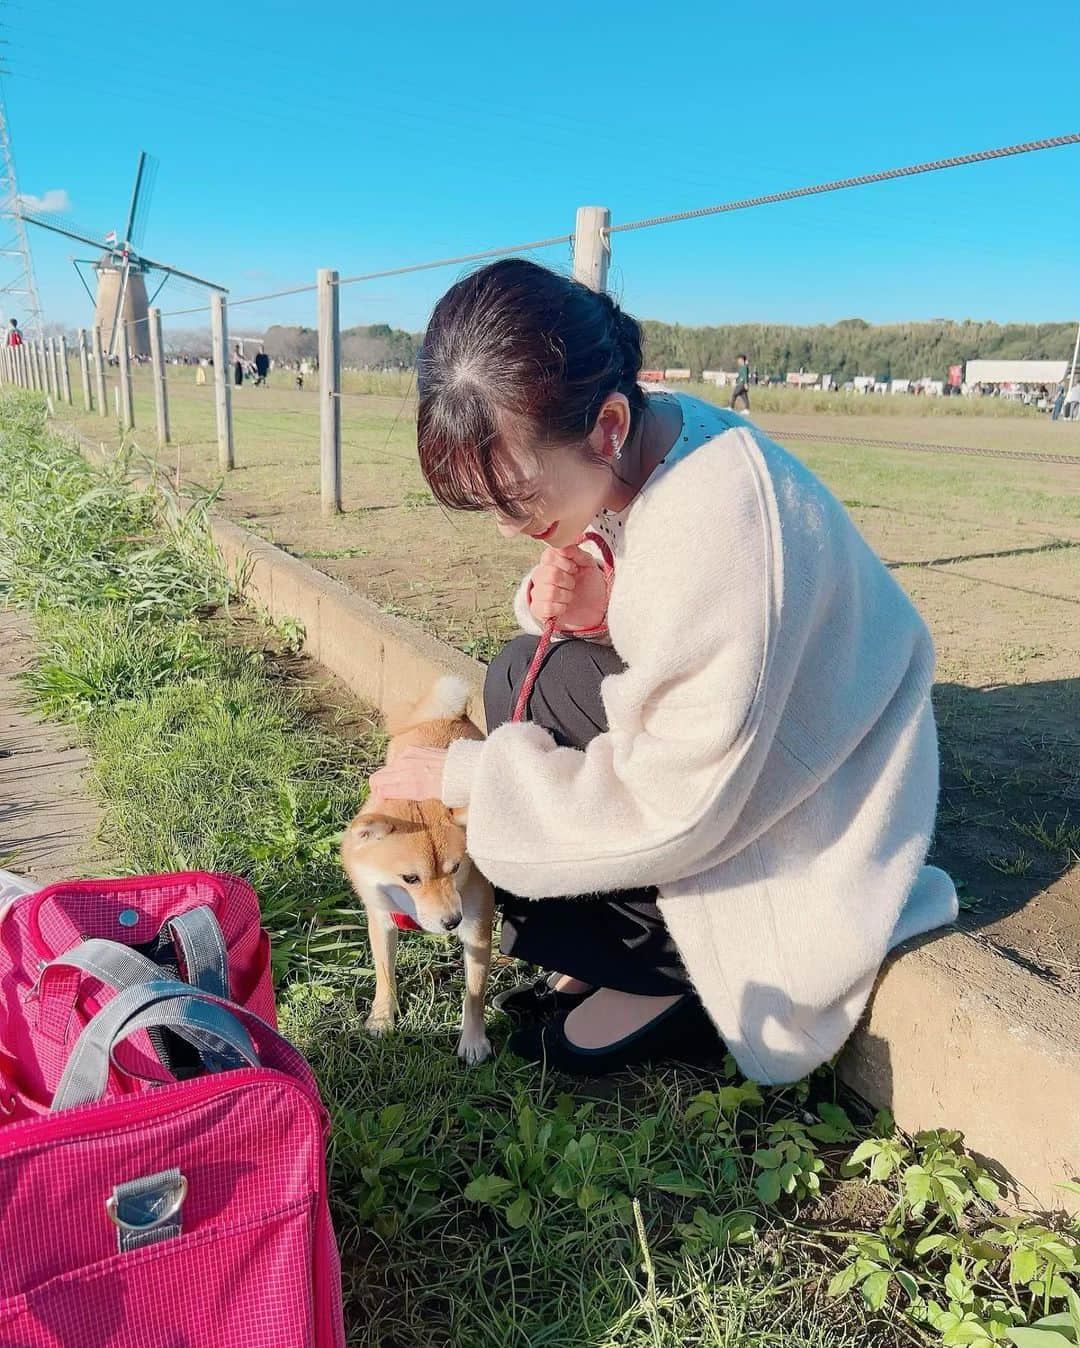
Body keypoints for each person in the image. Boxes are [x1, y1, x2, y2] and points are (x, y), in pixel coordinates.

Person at [368, 259, 957, 1082]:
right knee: (521, 674)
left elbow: (678, 803)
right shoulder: (656, 436)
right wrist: (593, 606)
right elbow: (671, 616)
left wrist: (472, 775)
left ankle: (676, 971)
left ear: (607, 426)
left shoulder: (720, 523)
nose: (510, 528)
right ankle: (620, 947)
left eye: (520, 497)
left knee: (527, 711)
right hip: (770, 738)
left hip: (811, 800)